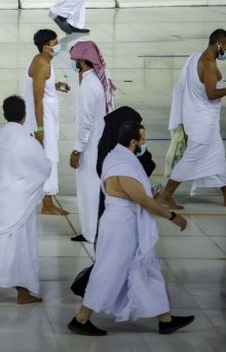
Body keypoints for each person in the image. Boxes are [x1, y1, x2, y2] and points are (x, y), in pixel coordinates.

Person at [69, 120, 194, 337]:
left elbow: (140, 194)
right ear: (133, 142)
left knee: (147, 269)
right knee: (109, 271)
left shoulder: (117, 156)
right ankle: (81, 319)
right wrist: (173, 217)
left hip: (126, 224)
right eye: (143, 140)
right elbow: (142, 200)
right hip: (121, 226)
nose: (145, 144)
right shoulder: (123, 166)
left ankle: (165, 319)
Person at [0, 94, 51, 309]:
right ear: (24, 115)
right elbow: (44, 168)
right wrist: (40, 144)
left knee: (21, 248)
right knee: (6, 249)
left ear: (5, 114)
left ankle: (23, 291)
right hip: (18, 202)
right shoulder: (28, 141)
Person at [159, 28, 226, 209]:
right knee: (191, 159)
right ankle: (166, 195)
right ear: (218, 44)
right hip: (203, 124)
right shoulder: (208, 63)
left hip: (198, 119)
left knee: (217, 156)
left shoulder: (194, 58)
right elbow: (211, 94)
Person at [68, 40, 116, 243]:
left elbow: (86, 123)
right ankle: (92, 231)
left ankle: (91, 233)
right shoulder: (95, 80)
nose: (73, 63)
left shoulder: (89, 86)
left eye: (75, 60)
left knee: (89, 191)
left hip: (90, 147)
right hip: (98, 143)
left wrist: (77, 150)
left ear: (83, 60)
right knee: (94, 190)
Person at [23, 28, 70, 214]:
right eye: (55, 43)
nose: (58, 46)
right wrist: (40, 128)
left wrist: (55, 86)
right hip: (42, 121)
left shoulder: (44, 61)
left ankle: (42, 199)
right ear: (45, 47)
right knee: (49, 157)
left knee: (45, 157)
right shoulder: (42, 64)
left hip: (47, 119)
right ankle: (48, 203)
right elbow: (37, 99)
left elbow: (42, 87)